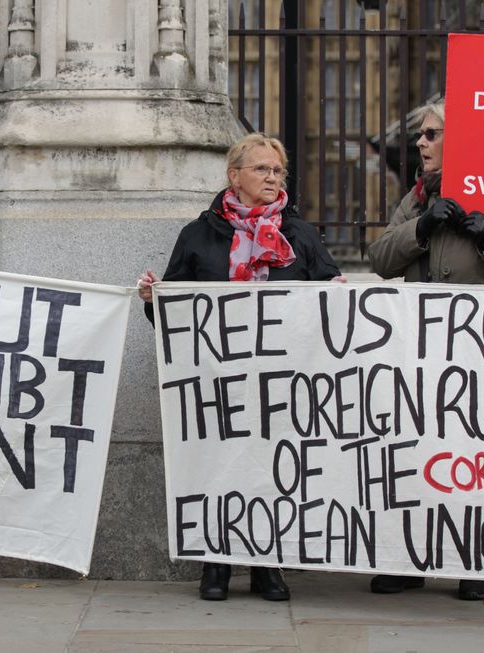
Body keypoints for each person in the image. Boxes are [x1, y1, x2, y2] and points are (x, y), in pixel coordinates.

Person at [138, 133, 344, 601]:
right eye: (262, 169)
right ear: (235, 176)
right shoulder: (198, 235)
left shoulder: (300, 235)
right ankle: (217, 564)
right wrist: (155, 300)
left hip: (281, 380)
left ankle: (268, 566)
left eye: (278, 171)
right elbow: (174, 317)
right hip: (218, 378)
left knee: (273, 468)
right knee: (218, 466)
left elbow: (329, 295)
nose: (272, 178)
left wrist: (337, 289)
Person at [366, 99, 484, 600]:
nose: (420, 143)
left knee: (473, 459)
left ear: (462, 141)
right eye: (421, 135)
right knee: (416, 455)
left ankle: (475, 561)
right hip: (422, 354)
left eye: (431, 134)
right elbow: (381, 258)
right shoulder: (414, 198)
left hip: (481, 358)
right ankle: (410, 560)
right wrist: (421, 228)